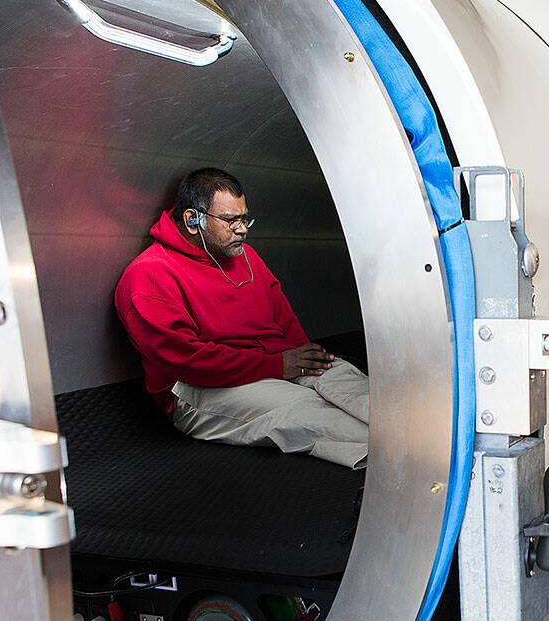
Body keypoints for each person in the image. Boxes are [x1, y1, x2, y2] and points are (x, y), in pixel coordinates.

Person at [115, 168, 370, 468]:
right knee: (307, 411)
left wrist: (308, 363)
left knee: (349, 385)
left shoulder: (246, 256)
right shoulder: (148, 276)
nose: (242, 229)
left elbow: (283, 322)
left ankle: (430, 438)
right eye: (230, 220)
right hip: (199, 387)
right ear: (192, 220)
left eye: (244, 218)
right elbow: (186, 361)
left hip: (271, 363)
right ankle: (401, 460)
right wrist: (277, 365)